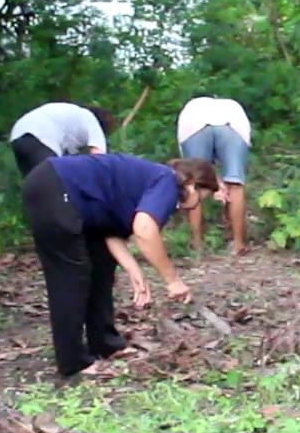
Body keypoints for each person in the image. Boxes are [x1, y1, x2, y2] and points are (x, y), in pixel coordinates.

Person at [20, 153, 218, 377]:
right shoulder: (167, 182)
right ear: (192, 185)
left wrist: (134, 270)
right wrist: (173, 281)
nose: (193, 208)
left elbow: (108, 231)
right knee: (70, 277)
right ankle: (72, 362)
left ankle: (105, 343)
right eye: (201, 200)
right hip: (55, 187)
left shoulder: (152, 181)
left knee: (101, 266)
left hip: (63, 192)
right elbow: (144, 230)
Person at [176, 95, 253, 254]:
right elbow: (216, 175)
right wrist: (222, 185)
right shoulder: (233, 107)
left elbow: (204, 173)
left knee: (193, 182)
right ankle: (238, 244)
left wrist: (217, 186)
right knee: (235, 184)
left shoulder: (192, 107)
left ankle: (197, 244)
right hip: (234, 120)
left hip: (193, 119)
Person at [10, 102, 113, 175]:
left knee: (34, 189)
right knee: (55, 184)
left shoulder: (74, 116)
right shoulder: (92, 121)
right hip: (41, 136)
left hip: (17, 135)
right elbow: (99, 160)